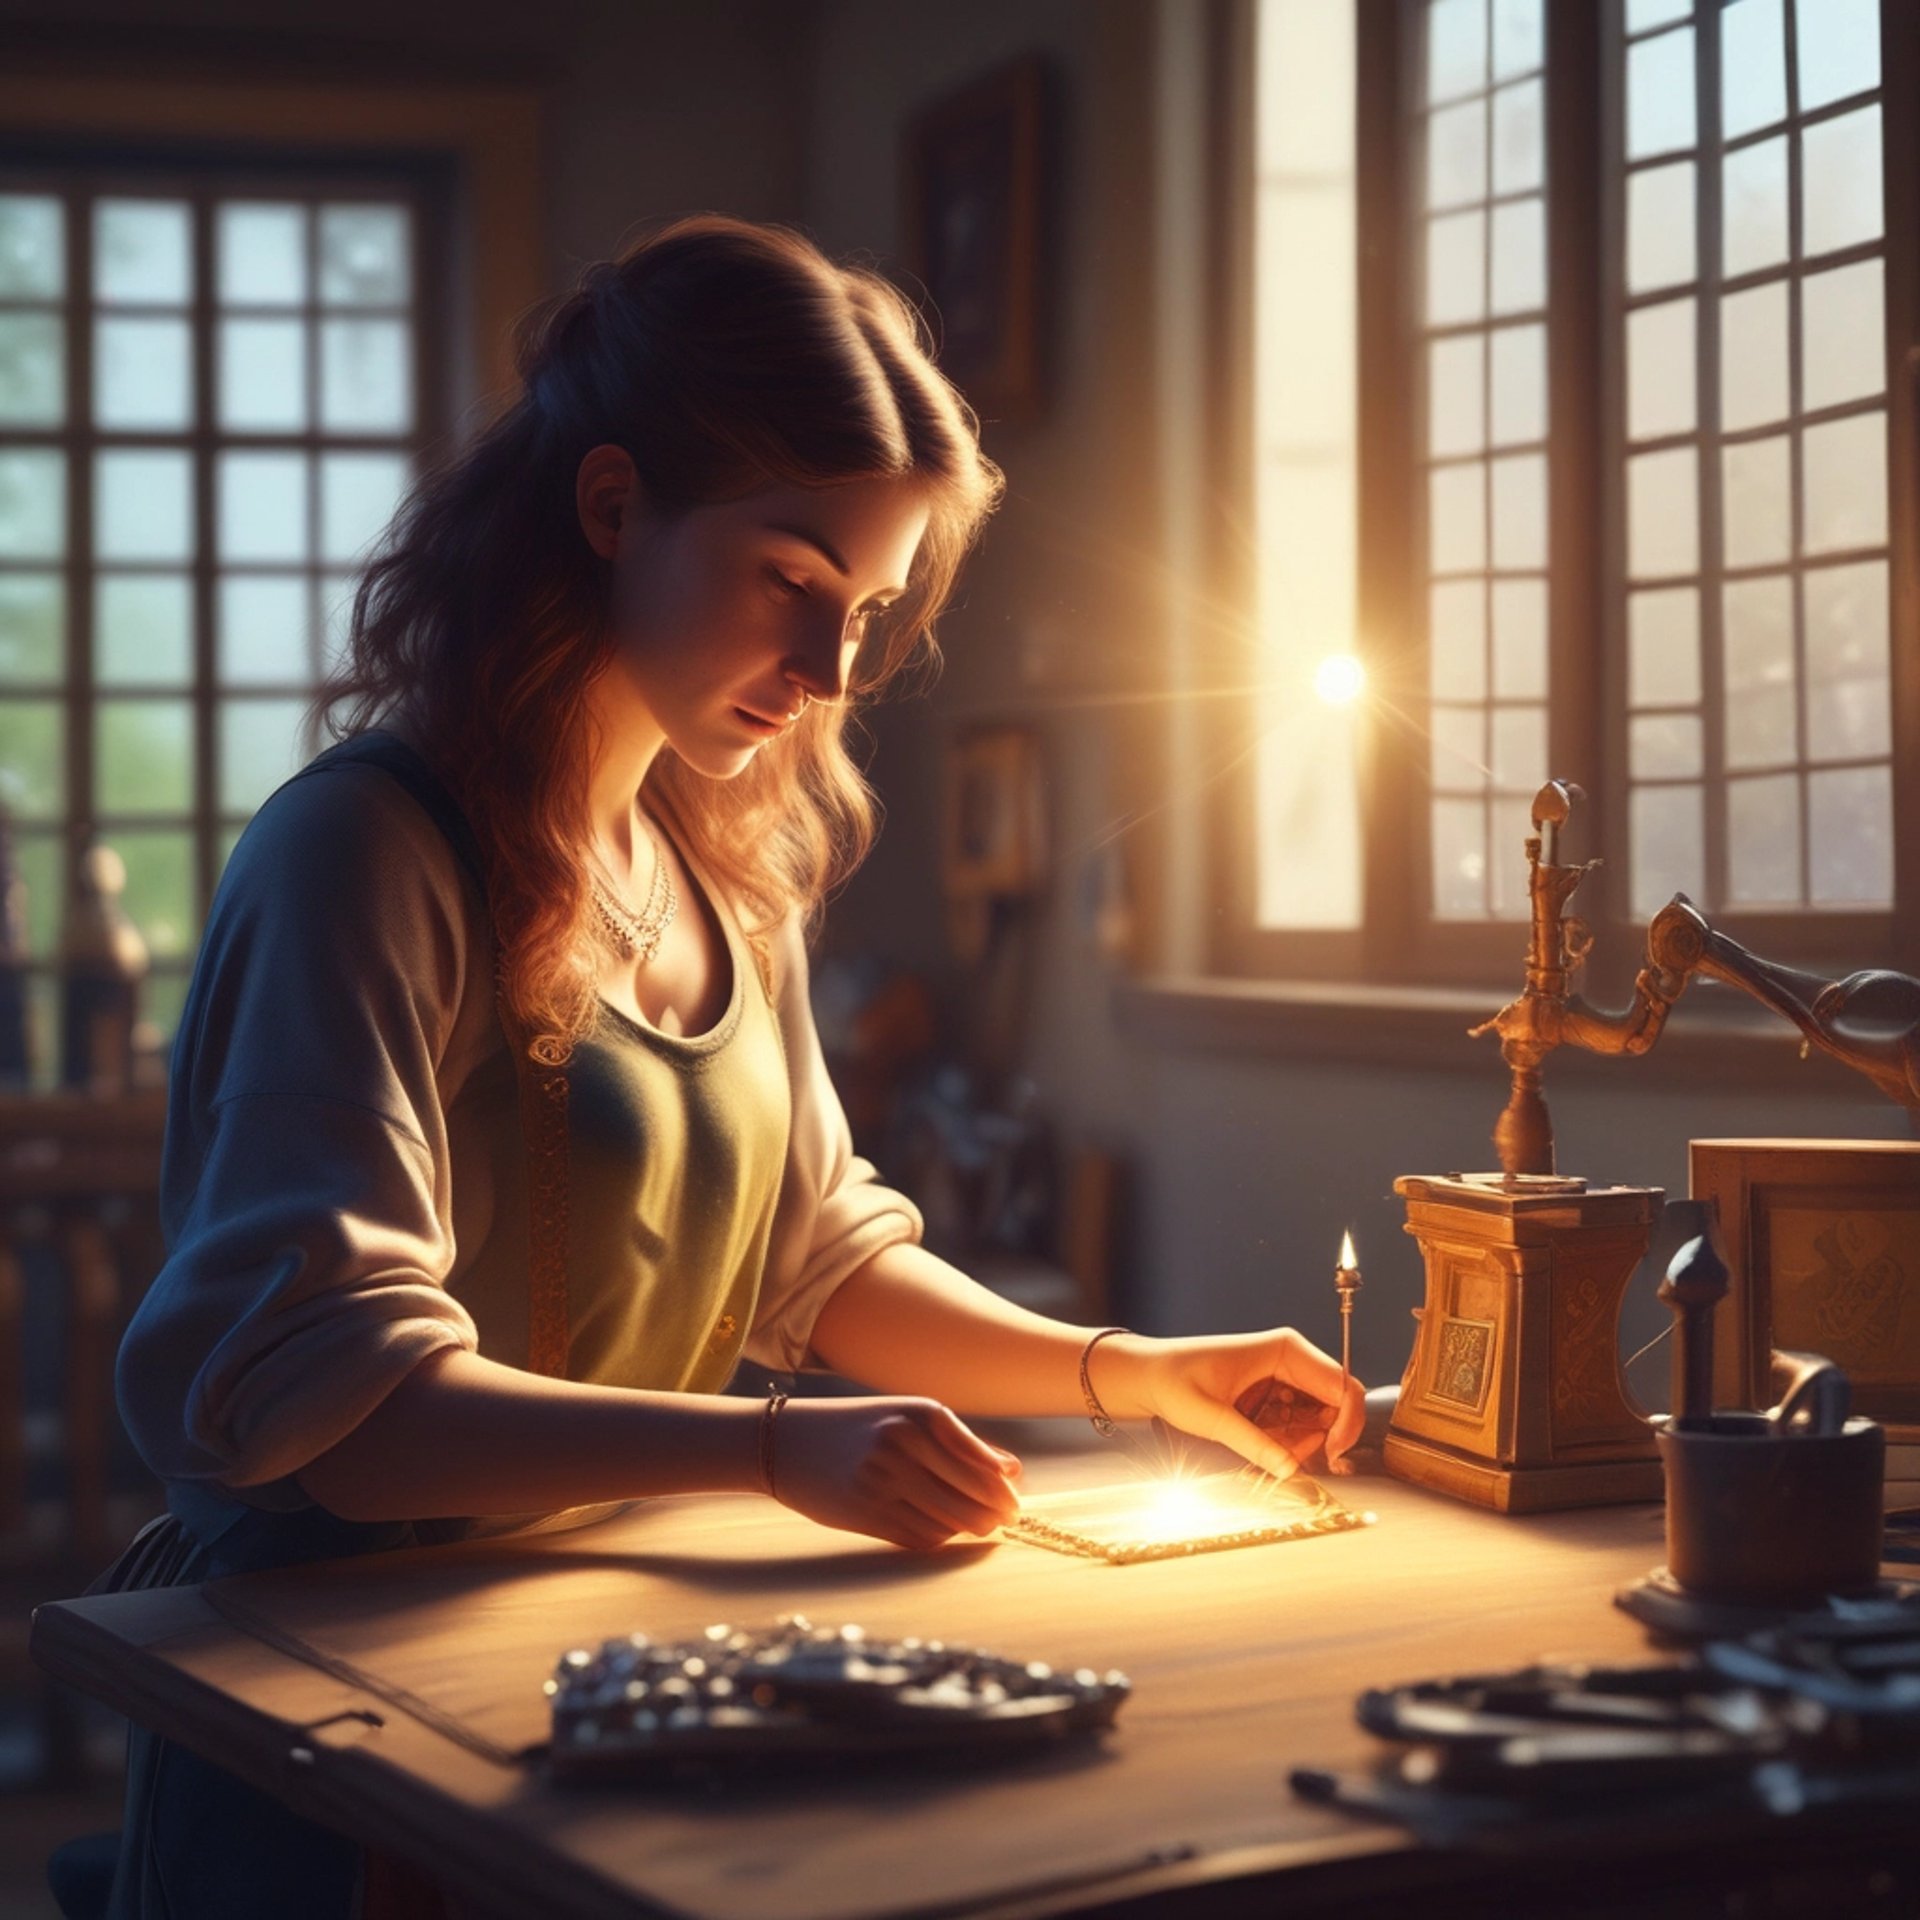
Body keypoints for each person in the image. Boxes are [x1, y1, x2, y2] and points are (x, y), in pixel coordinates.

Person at [98, 214, 1365, 1917]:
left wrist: (1131, 1373)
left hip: (610, 1674)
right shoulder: (363, 857)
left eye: (869, 609)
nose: (830, 670)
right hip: (340, 1717)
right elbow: (341, 1418)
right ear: (613, 505)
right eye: (789, 578)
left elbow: (818, 1261)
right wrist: (770, 1454)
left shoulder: (722, 877)